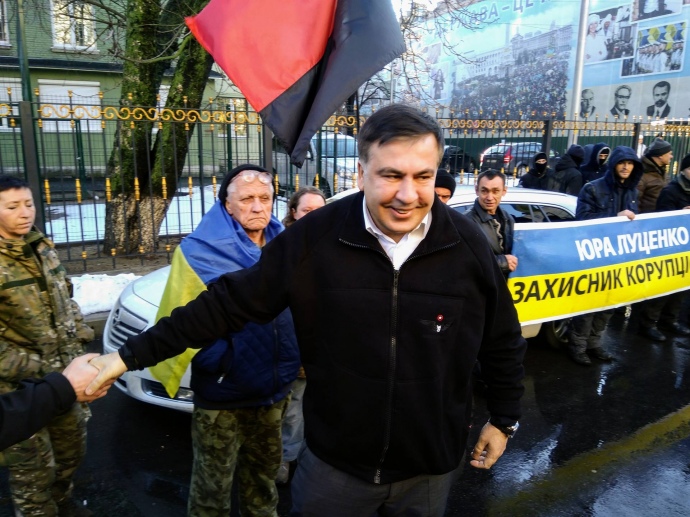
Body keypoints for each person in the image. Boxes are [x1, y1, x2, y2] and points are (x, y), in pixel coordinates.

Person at [86, 104, 527, 517]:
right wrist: (125, 357)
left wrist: (504, 419)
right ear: (360, 174)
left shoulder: (466, 245)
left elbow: (502, 338)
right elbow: (227, 304)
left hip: (428, 469)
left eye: (423, 176)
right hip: (334, 468)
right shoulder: (315, 238)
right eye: (391, 175)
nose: (408, 195)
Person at [154, 164, 301, 516]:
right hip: (223, 395)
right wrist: (220, 360)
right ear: (227, 205)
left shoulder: (287, 247)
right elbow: (178, 319)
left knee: (263, 485)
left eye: (265, 198)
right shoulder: (198, 252)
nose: (258, 206)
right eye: (247, 198)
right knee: (212, 491)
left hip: (274, 392)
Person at [0, 174, 96, 516]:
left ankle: (62, 503)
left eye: (28, 204)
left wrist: (80, 330)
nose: (25, 212)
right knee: (34, 473)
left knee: (71, 453)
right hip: (19, 393)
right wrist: (38, 368)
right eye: (12, 206)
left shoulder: (41, 247)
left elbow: (64, 294)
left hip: (64, 380)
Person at [568, 146, 643, 365]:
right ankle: (577, 347)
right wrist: (615, 216)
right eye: (622, 163)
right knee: (588, 306)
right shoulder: (592, 188)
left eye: (630, 163)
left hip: (618, 258)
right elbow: (582, 219)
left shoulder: (633, 192)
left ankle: (594, 344)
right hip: (594, 257)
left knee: (608, 304)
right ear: (614, 165)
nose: (626, 167)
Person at [277, 187, 326, 485]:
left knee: (318, 407)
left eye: (319, 210)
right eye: (307, 210)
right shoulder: (283, 248)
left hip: (325, 347)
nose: (313, 216)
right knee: (291, 409)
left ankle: (308, 457)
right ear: (294, 212)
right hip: (293, 345)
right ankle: (285, 457)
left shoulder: (336, 243)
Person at [0, 354, 111, 450]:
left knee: (69, 452)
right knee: (35, 458)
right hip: (22, 401)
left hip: (52, 397)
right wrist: (61, 387)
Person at [637, 152, 690, 341]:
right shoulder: (671, 191)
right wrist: (680, 213)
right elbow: (662, 218)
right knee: (663, 287)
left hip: (687, 248)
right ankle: (648, 323)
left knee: (681, 288)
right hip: (670, 247)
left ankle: (670, 320)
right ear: (684, 170)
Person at [466, 169, 517, 279]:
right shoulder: (466, 221)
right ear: (477, 190)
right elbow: (465, 261)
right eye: (484, 191)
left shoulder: (507, 218)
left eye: (495, 191)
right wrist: (502, 262)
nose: (489, 197)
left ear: (504, 191)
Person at [637, 137, 673, 214]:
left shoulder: (662, 171)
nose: (671, 156)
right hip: (648, 219)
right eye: (669, 154)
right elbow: (635, 201)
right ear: (660, 156)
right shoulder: (642, 174)